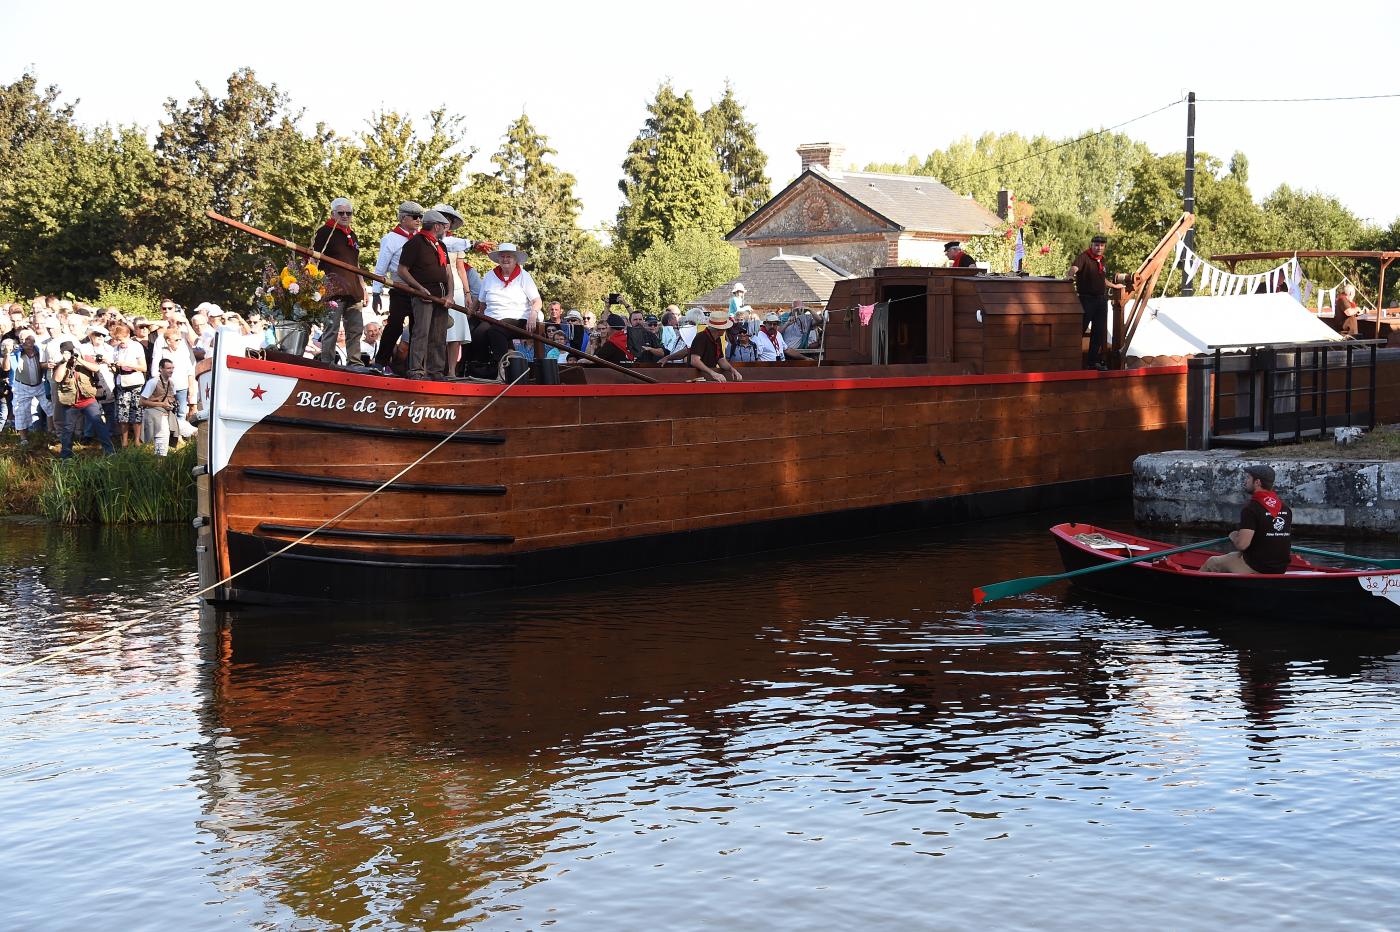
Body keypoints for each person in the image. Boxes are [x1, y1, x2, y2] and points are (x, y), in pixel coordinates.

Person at [393, 209, 454, 380]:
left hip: (441, 297)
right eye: (443, 226)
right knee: (421, 333)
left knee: (439, 335)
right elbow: (402, 270)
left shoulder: (441, 245)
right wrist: (419, 288)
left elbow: (448, 272)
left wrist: (449, 295)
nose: (445, 230)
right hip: (423, 297)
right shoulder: (415, 243)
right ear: (436, 227)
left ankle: (436, 371)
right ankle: (416, 371)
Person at [1202, 464, 1293, 575]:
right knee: (1233, 556)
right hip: (1280, 568)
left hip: (1257, 568)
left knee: (1212, 562)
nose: (1245, 482)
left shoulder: (1251, 509)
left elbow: (1242, 545)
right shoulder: (1285, 508)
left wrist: (1235, 536)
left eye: (1248, 478)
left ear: (1257, 482)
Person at [311, 197, 367, 366]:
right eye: (341, 213)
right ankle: (327, 362)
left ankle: (355, 363)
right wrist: (316, 284)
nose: (345, 216)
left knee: (355, 329)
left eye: (348, 213)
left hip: (353, 289)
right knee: (331, 329)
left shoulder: (352, 234)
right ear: (332, 214)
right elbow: (313, 259)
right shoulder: (324, 232)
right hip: (332, 289)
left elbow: (355, 263)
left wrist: (363, 286)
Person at [371, 202, 424, 369]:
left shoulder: (421, 238)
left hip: (418, 291)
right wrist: (376, 293)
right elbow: (381, 267)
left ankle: (412, 367)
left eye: (420, 218)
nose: (418, 221)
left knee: (418, 330)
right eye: (415, 217)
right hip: (400, 288)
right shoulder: (390, 239)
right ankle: (381, 362)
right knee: (394, 326)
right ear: (403, 218)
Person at [473, 243, 542, 371]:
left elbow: (537, 301)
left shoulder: (524, 276)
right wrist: (478, 317)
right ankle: (482, 367)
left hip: (517, 317)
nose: (505, 259)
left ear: (515, 259)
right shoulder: (489, 276)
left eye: (509, 256)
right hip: (492, 318)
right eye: (502, 256)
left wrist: (533, 315)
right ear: (498, 259)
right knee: (478, 333)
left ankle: (503, 369)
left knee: (496, 331)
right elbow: (482, 303)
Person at [1069, 235, 1124, 371]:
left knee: (1098, 332)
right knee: (1079, 330)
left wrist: (1114, 286)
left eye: (1101, 246)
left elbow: (1101, 279)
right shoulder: (1084, 257)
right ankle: (1069, 360)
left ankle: (1092, 363)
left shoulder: (1102, 260)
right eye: (1096, 245)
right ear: (1092, 245)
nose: (1099, 248)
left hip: (1101, 300)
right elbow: (1074, 268)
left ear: (1104, 247)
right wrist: (1070, 276)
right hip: (1086, 299)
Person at [53, 340, 114, 458]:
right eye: (66, 352)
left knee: (99, 423)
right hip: (70, 402)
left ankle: (110, 451)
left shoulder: (85, 358)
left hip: (88, 400)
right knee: (67, 429)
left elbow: (96, 368)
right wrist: (65, 362)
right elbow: (57, 378)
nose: (70, 354)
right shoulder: (60, 363)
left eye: (71, 351)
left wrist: (79, 360)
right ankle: (66, 456)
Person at [4, 331, 51, 443]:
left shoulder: (39, 349)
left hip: (39, 384)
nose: (25, 342)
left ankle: (51, 432)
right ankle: (24, 439)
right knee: (20, 412)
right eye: (22, 339)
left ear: (33, 339)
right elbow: (6, 367)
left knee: (50, 407)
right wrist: (7, 353)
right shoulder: (17, 352)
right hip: (22, 386)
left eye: (27, 339)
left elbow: (43, 362)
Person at [109, 321, 147, 447]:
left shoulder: (136, 346)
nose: (120, 342)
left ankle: (137, 440)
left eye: (121, 339)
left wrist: (127, 364)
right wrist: (112, 366)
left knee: (136, 411)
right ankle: (124, 441)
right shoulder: (115, 349)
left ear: (127, 335)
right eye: (117, 339)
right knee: (122, 413)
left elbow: (143, 367)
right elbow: (116, 369)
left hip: (135, 382)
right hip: (121, 382)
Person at [139, 357, 180, 455]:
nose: (171, 370)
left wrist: (172, 404)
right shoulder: (153, 382)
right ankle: (159, 464)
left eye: (172, 368)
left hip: (167, 414)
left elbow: (172, 399)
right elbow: (141, 402)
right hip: (154, 414)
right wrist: (161, 404)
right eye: (168, 368)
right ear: (161, 369)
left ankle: (160, 463)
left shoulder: (172, 383)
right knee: (161, 441)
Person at [689, 309, 742, 383]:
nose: (726, 329)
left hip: (706, 377)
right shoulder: (701, 337)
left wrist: (732, 369)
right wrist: (712, 373)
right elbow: (694, 360)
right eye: (725, 328)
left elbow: (720, 359)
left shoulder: (717, 338)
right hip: (696, 378)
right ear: (720, 329)